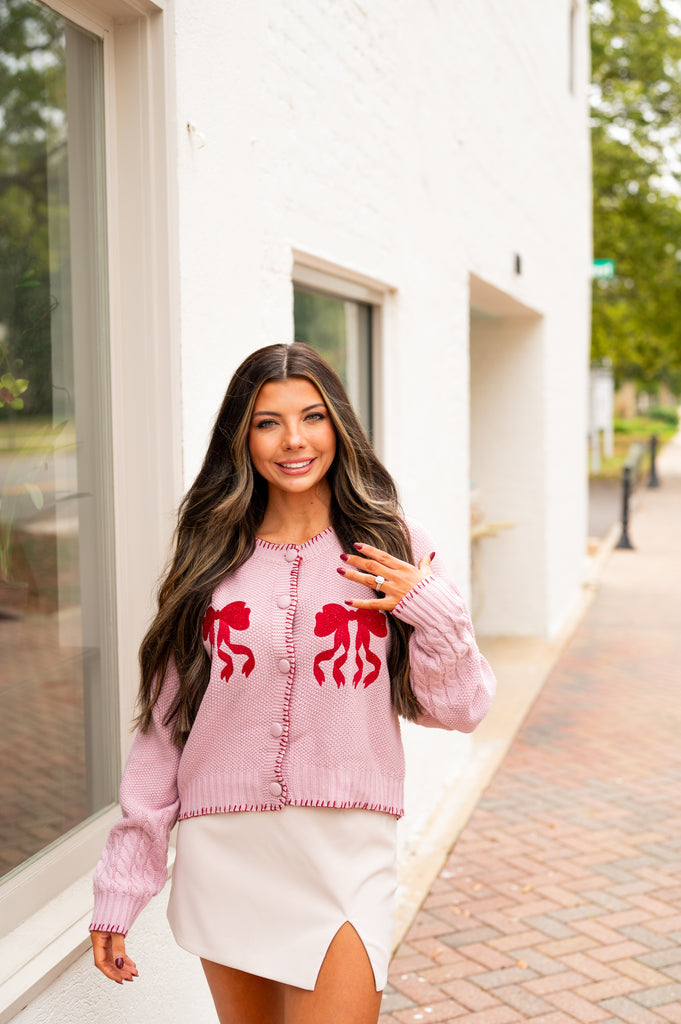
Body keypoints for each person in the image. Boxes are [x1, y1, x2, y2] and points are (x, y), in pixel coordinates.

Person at [89, 341, 496, 1024]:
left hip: (345, 848)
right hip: (228, 847)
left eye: (311, 417)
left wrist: (432, 608)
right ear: (241, 438)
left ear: (338, 424)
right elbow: (165, 730)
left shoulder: (389, 542)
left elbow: (459, 709)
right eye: (266, 422)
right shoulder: (210, 552)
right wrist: (123, 883)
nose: (293, 440)